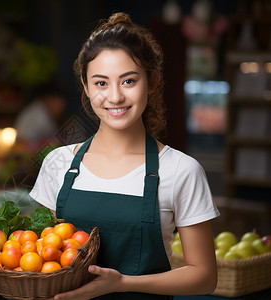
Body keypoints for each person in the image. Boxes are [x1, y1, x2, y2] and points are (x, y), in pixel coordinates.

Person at [29, 12, 219, 300]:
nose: (115, 97)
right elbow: (38, 257)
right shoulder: (59, 163)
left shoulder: (181, 170)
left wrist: (123, 283)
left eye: (128, 81)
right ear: (85, 85)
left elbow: (204, 277)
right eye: (101, 83)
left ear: (151, 81)